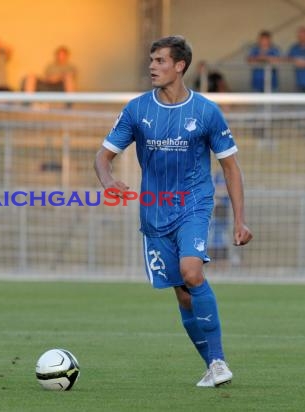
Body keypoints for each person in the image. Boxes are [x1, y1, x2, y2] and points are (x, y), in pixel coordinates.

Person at [94, 36, 252, 388]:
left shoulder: (206, 111)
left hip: (194, 203)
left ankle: (220, 360)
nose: (153, 66)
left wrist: (240, 219)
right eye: (151, 60)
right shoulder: (137, 110)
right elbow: (103, 157)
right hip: (154, 212)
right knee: (183, 293)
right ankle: (212, 364)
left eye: (161, 60)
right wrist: (107, 181)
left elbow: (231, 168)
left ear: (180, 66)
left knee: (191, 272)